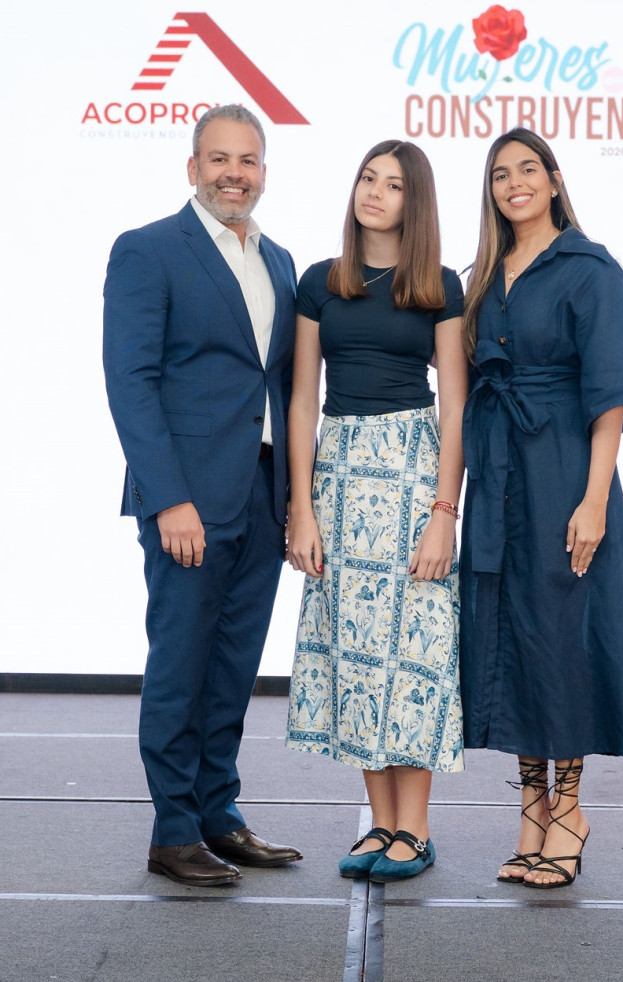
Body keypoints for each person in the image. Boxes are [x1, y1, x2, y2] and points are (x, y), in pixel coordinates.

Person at [103, 105, 302, 887]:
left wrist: (293, 499)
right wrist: (167, 499)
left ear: (262, 172)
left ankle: (219, 812)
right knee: (181, 660)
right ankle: (173, 827)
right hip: (187, 497)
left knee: (233, 665)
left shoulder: (279, 259)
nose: (233, 173)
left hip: (260, 493)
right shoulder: (149, 250)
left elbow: (281, 383)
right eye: (218, 158)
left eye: (247, 161)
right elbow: (131, 382)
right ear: (192, 167)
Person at [459, 127, 623, 889]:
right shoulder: (482, 275)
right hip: (501, 478)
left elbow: (609, 394)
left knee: (563, 642)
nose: (514, 183)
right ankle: (531, 809)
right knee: (514, 637)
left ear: (554, 178)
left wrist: (595, 500)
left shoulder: (590, 269)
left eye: (528, 170)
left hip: (567, 470)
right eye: (501, 173)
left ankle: (569, 809)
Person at [285, 140, 467, 882]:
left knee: (415, 652)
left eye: (393, 184)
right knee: (355, 652)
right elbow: (302, 399)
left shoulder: (441, 285)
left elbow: (455, 405)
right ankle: (379, 824)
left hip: (414, 472)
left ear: (412, 202)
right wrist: (302, 506)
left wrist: (444, 511)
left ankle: (415, 831)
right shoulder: (319, 283)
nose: (375, 192)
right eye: (367, 177)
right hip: (340, 473)